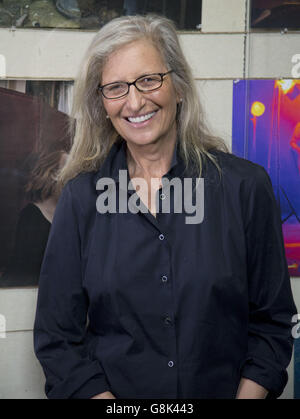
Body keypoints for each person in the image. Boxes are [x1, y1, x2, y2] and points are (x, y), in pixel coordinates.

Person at [34, 14, 297, 399]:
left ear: (178, 87)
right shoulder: (80, 199)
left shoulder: (245, 188)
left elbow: (273, 325)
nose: (135, 101)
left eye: (148, 80)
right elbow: (58, 341)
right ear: (102, 103)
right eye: (116, 88)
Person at [0, 145, 68, 287]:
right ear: (51, 175)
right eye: (68, 170)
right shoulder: (31, 217)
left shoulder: (68, 217)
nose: (74, 177)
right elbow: (24, 272)